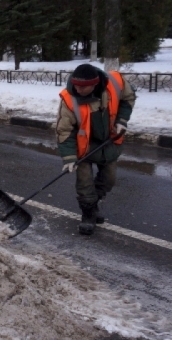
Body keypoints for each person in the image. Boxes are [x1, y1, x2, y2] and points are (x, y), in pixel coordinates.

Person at [56, 63, 136, 235]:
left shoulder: (114, 83)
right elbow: (64, 130)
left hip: (109, 142)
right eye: (76, 85)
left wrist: (122, 120)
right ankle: (88, 214)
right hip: (83, 147)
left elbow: (128, 97)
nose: (78, 89)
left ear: (95, 84)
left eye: (83, 87)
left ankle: (93, 204)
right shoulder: (70, 100)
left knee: (109, 179)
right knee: (84, 183)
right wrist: (69, 157)